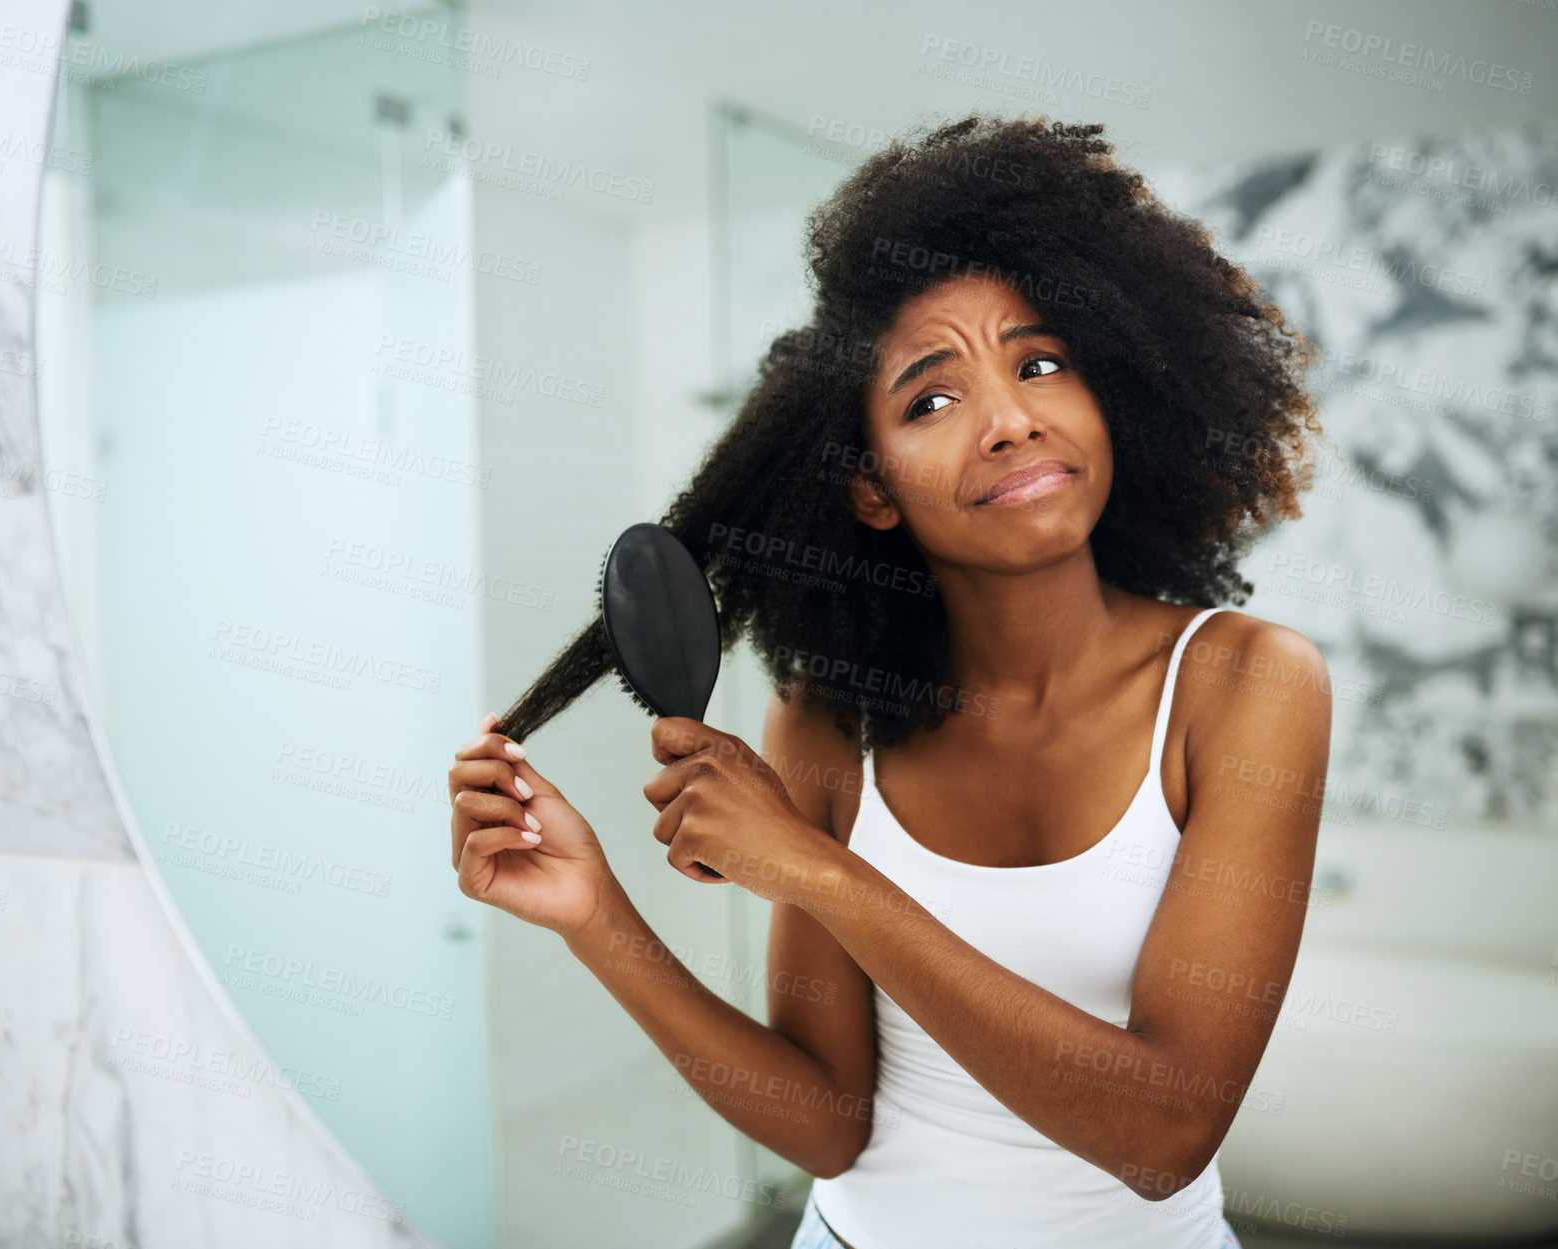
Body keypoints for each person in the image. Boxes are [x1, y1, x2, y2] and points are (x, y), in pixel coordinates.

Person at [447, 113, 1329, 1248]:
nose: (1010, 419)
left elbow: (1161, 1138)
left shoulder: (1246, 684)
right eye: (932, 398)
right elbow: (826, 1127)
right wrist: (595, 915)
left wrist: (816, 869)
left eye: (1041, 362)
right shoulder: (830, 715)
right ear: (871, 490)